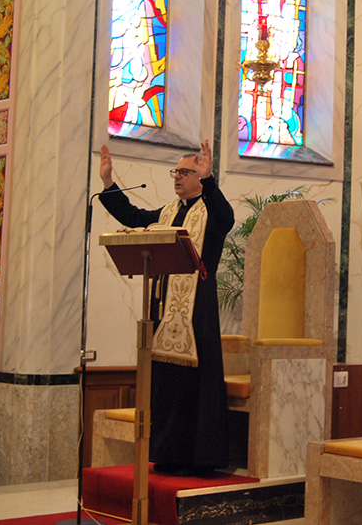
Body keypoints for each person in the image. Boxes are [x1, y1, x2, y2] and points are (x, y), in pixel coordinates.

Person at [98, 139, 234, 474]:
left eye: (186, 172)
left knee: (195, 384)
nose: (178, 177)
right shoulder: (168, 212)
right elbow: (133, 216)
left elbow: (227, 216)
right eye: (176, 171)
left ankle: (201, 459)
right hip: (164, 311)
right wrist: (108, 182)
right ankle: (168, 454)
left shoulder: (212, 213)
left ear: (200, 177)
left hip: (197, 311)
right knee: (168, 384)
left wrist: (210, 179)